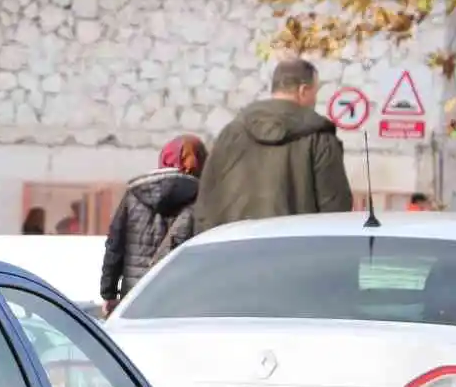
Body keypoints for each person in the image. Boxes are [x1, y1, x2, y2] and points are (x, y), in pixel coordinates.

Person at [194, 58, 354, 230]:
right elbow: (335, 210)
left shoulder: (231, 133)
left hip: (234, 250)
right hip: (294, 250)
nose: (314, 99)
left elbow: (206, 203)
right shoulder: (319, 139)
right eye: (315, 92)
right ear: (303, 90)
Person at [100, 134, 208, 315]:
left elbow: (114, 246)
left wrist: (108, 292)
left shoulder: (134, 194)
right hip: (177, 299)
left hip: (134, 297)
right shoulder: (201, 200)